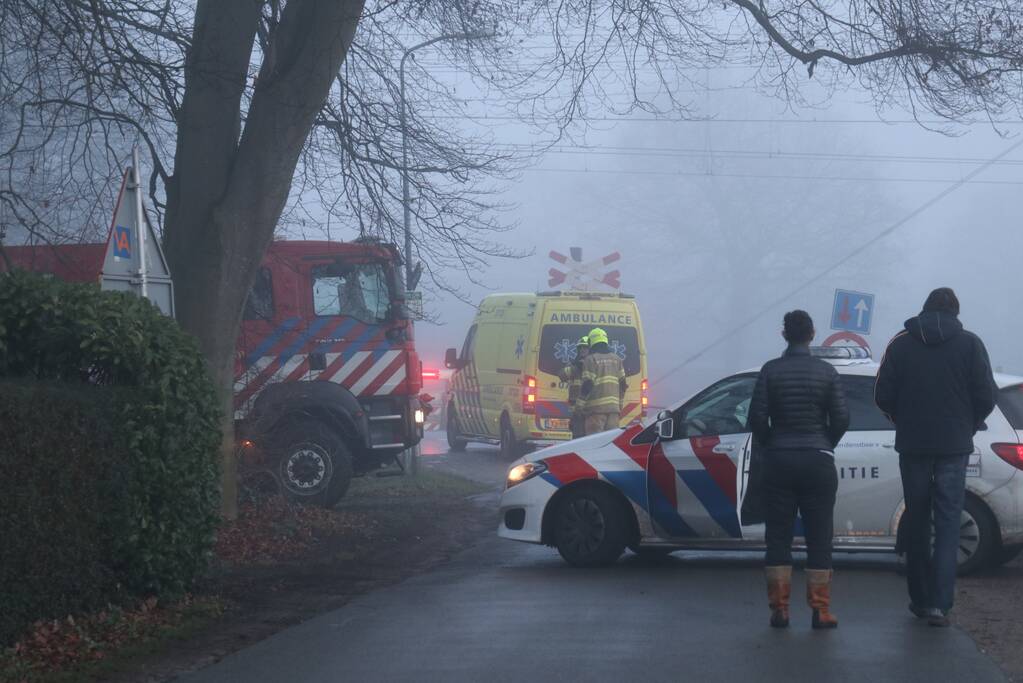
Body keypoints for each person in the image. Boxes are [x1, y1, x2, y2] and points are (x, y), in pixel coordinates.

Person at [874, 287, 997, 627]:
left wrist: (902, 420)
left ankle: (919, 597)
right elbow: (986, 395)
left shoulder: (900, 343)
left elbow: (882, 394)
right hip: (953, 446)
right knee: (947, 523)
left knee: (916, 518)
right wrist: (968, 424)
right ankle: (940, 605)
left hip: (912, 445)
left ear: (924, 309)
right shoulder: (970, 344)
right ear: (956, 312)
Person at [749, 310, 849, 629]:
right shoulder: (827, 372)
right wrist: (824, 442)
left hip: (779, 459)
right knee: (820, 536)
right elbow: (842, 417)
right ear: (812, 334)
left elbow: (756, 418)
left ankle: (780, 609)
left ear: (784, 335)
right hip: (817, 460)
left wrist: (772, 443)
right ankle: (820, 611)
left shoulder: (770, 371)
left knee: (778, 536)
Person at [579, 328, 626, 435]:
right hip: (613, 412)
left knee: (594, 444)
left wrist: (579, 407)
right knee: (609, 443)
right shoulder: (617, 359)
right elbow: (623, 385)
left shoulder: (590, 359)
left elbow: (587, 385)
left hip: (595, 412)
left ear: (592, 342)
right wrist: (619, 406)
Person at [559, 336, 590, 439]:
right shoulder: (574, 364)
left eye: (585, 348)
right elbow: (562, 375)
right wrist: (575, 367)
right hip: (576, 411)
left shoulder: (594, 364)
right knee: (577, 439)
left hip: (591, 410)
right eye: (580, 348)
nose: (582, 350)